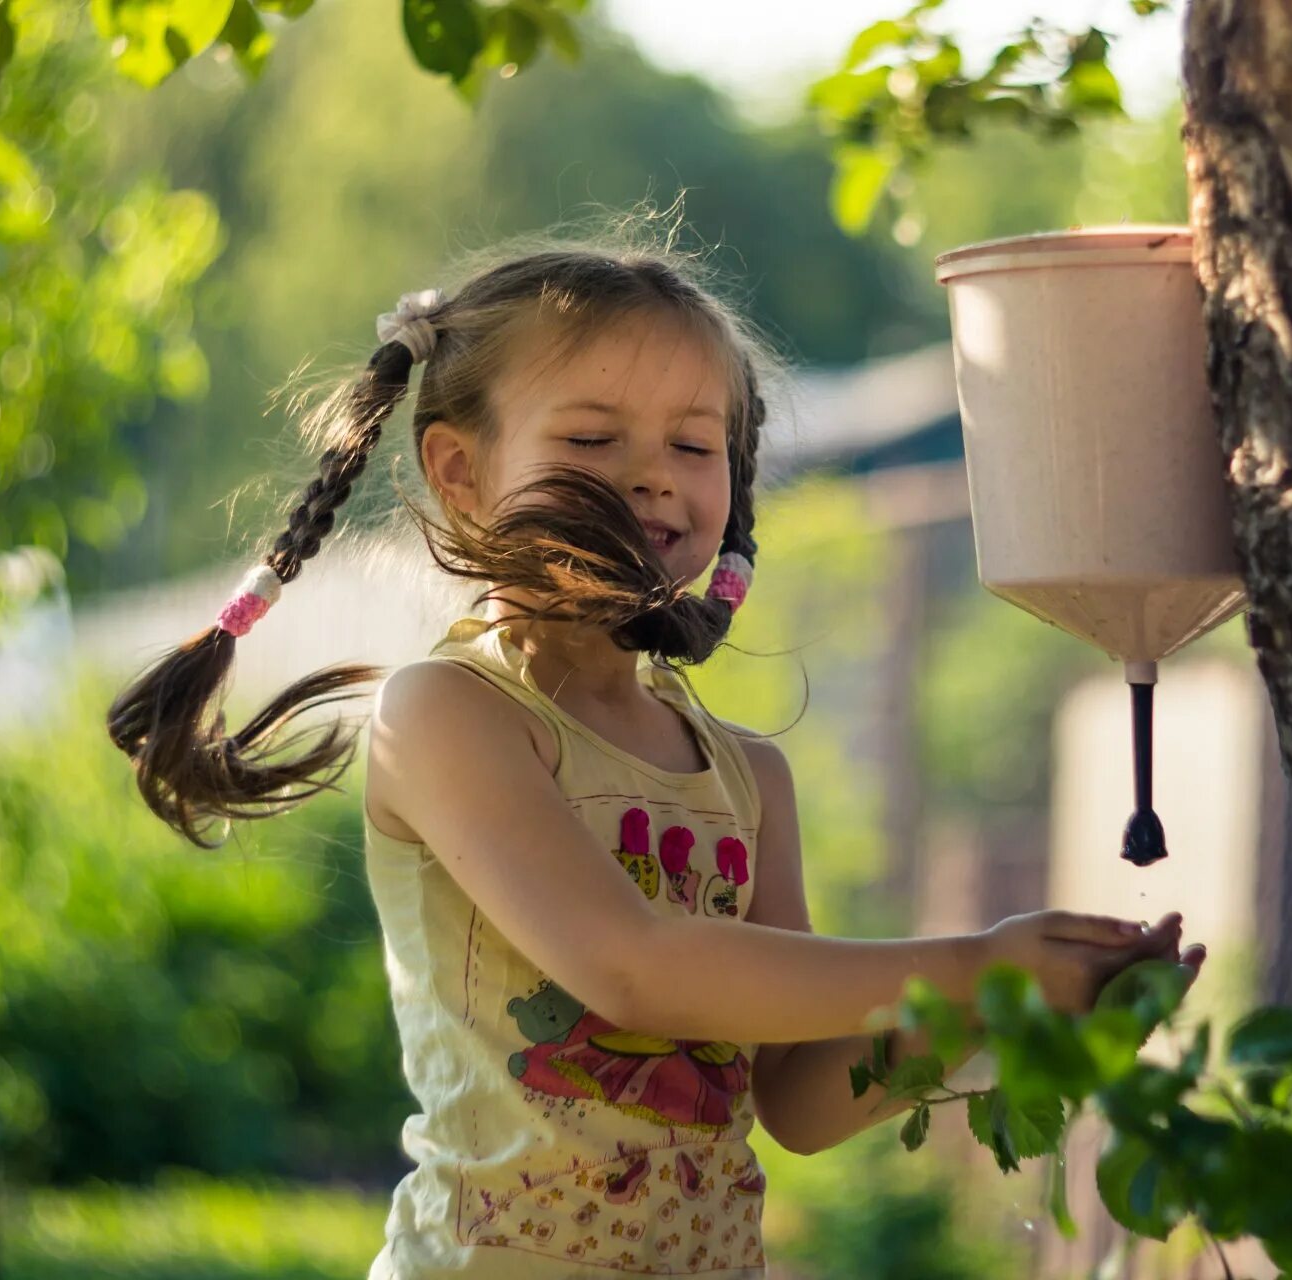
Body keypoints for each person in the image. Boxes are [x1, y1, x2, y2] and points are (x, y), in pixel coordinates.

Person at [107, 234, 1207, 1279]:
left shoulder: (745, 776)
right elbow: (631, 963)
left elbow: (803, 1096)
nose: (653, 477)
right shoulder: (449, 715)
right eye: (592, 441)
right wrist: (976, 959)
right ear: (459, 469)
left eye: (693, 444)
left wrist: (1012, 1017)